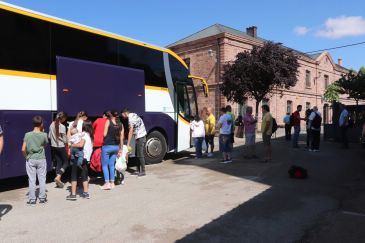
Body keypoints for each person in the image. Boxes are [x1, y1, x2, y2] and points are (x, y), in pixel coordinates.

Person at [21, 116, 48, 205]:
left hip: (31, 159)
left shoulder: (27, 134)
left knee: (32, 180)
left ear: (33, 124)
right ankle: (42, 198)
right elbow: (45, 145)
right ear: (41, 124)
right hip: (41, 159)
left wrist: (26, 157)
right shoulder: (44, 135)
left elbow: (23, 149)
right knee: (42, 179)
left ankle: (32, 200)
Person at [66, 121, 94, 200]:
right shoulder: (90, 136)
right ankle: (85, 193)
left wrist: (71, 145)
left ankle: (73, 194)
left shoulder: (83, 135)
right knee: (84, 176)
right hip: (86, 159)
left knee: (74, 176)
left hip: (78, 158)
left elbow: (80, 145)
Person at [101, 111, 124, 190]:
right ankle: (112, 183)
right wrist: (121, 149)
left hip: (107, 146)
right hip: (115, 147)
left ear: (112, 115)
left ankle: (107, 183)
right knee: (111, 165)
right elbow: (121, 138)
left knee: (104, 165)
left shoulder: (108, 121)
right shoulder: (121, 125)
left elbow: (104, 134)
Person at [121, 108, 147, 177]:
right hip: (140, 136)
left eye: (122, 115)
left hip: (141, 137)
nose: (122, 117)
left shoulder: (131, 119)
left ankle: (143, 171)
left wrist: (128, 144)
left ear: (125, 113)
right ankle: (138, 170)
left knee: (140, 154)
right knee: (136, 154)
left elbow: (131, 131)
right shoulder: (133, 115)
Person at [49, 112, 68, 188]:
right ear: (63, 118)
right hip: (60, 146)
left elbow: (49, 136)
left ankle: (58, 181)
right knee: (66, 162)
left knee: (59, 162)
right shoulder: (62, 126)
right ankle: (58, 176)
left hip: (53, 146)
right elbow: (65, 140)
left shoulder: (51, 124)